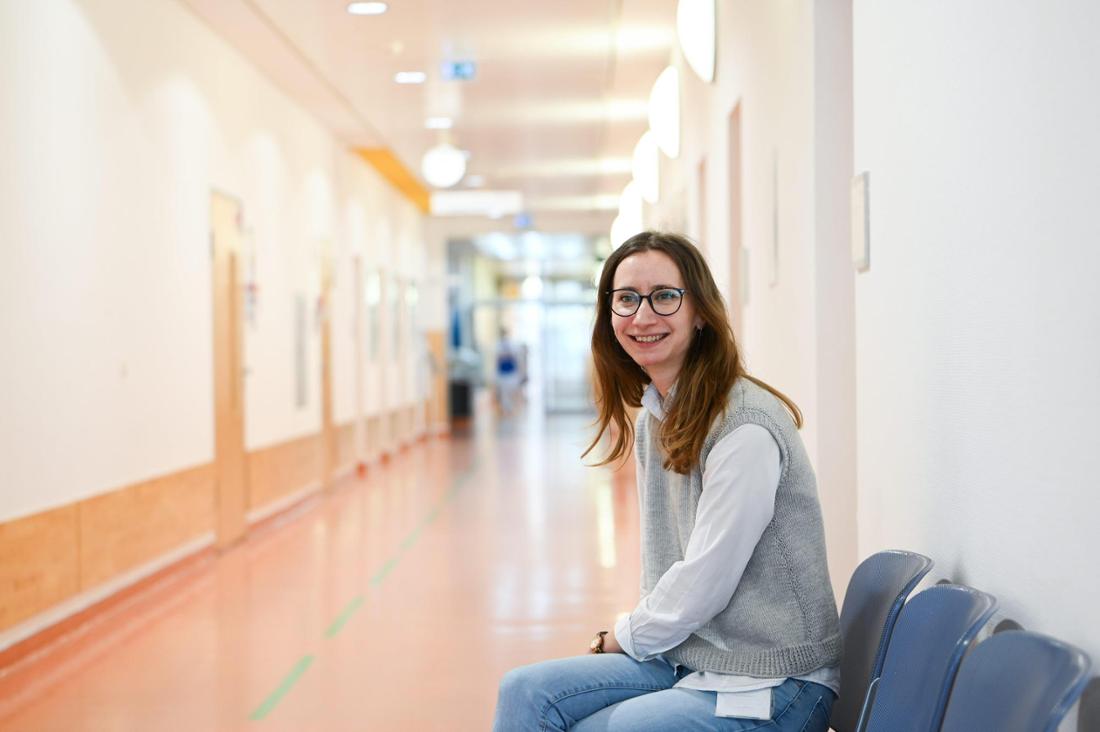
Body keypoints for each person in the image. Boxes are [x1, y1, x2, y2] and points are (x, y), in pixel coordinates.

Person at [493, 231, 841, 731]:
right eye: (626, 299)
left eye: (664, 296)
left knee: (610, 728)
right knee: (524, 692)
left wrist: (622, 636)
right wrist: (638, 637)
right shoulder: (657, 416)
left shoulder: (744, 428)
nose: (642, 316)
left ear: (700, 311)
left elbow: (705, 581)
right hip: (693, 656)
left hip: (775, 681)